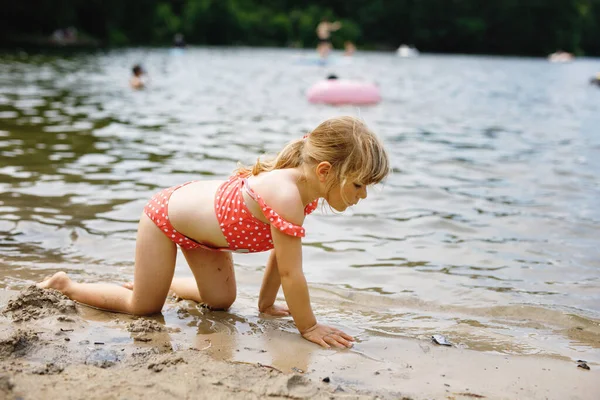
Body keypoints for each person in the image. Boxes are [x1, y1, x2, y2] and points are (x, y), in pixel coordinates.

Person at [38, 116, 390, 349]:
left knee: (221, 302)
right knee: (143, 308)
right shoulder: (286, 194)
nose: (362, 196)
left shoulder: (304, 193)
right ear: (326, 171)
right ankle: (67, 285)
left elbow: (280, 257)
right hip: (166, 219)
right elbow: (291, 273)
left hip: (207, 237)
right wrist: (308, 327)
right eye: (358, 185)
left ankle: (156, 281)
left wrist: (265, 305)